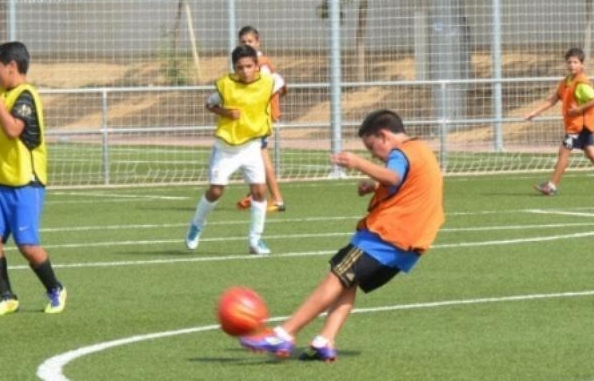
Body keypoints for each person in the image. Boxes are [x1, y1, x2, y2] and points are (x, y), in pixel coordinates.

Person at [239, 109, 444, 361]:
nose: (374, 156)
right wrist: (375, 184)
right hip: (412, 242)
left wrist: (359, 164)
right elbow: (407, 183)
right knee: (348, 280)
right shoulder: (422, 149)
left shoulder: (400, 153)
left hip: (387, 234)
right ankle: (325, 340)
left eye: (372, 148)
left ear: (384, 136)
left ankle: (285, 333)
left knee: (336, 277)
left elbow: (394, 175)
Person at [0, 32, 67, 315]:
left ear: (12, 66)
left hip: (26, 182)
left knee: (28, 246)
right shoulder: (3, 88)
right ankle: (6, 296)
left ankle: (55, 288)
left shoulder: (25, 96)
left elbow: (13, 131)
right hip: (1, 181)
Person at [185, 44, 285, 255]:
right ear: (234, 68)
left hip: (252, 146)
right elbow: (209, 104)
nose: (245, 71)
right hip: (226, 148)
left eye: (249, 66)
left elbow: (282, 85)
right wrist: (225, 112)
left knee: (259, 191)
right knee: (216, 191)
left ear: (257, 65)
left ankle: (255, 241)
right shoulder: (226, 85)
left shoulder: (269, 81)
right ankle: (196, 224)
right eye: (240, 67)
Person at [524, 47, 594, 196]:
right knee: (591, 153)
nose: (572, 65)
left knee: (564, 152)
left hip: (579, 126)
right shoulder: (565, 82)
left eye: (575, 62)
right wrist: (534, 112)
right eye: (569, 62)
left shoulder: (581, 83)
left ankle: (551, 186)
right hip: (577, 126)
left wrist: (578, 110)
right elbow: (552, 100)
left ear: (582, 64)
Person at [234, 26, 288, 213]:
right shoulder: (247, 64)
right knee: (249, 156)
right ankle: (255, 194)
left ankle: (277, 199)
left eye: (250, 41)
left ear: (258, 42)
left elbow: (268, 87)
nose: (247, 44)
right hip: (251, 119)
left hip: (260, 119)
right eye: (243, 42)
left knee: (262, 157)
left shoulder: (262, 64)